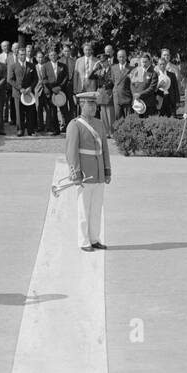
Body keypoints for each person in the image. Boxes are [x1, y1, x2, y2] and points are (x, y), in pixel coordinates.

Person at [66, 91, 112, 251]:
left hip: (98, 172)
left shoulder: (99, 124)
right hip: (85, 174)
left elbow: (104, 149)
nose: (93, 107)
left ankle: (94, 238)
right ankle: (84, 241)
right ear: (81, 105)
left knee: (96, 209)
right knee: (84, 210)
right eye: (90, 104)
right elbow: (71, 152)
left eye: (94, 104)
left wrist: (107, 170)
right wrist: (75, 173)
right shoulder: (75, 125)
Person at [130, 53, 159, 119]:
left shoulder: (153, 73)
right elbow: (132, 84)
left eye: (145, 62)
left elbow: (152, 88)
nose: (144, 64)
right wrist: (135, 94)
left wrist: (140, 94)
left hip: (148, 103)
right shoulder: (137, 72)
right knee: (137, 124)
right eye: (142, 62)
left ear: (150, 62)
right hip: (137, 102)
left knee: (148, 124)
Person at [17, 52, 39, 136]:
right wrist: (20, 88)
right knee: (20, 112)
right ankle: (20, 130)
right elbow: (10, 79)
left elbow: (36, 79)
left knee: (30, 112)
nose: (22, 56)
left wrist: (31, 87)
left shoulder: (31, 65)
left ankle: (31, 130)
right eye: (21, 54)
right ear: (18, 55)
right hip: (19, 93)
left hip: (29, 92)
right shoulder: (13, 65)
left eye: (24, 54)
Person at [112, 48, 132, 130]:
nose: (121, 58)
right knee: (118, 117)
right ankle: (118, 136)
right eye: (120, 57)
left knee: (128, 118)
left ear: (126, 57)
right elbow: (114, 81)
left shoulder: (131, 68)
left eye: (123, 56)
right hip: (117, 96)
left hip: (127, 95)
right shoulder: (113, 67)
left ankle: (128, 135)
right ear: (117, 57)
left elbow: (133, 84)